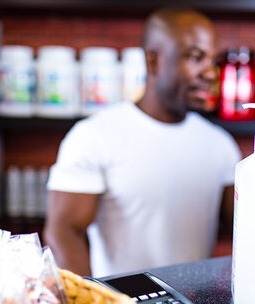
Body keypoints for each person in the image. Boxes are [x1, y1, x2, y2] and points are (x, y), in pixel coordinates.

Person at [44, 7, 241, 277]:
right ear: (154, 61)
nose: (210, 73)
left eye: (212, 61)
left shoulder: (220, 145)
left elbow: (244, 229)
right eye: (196, 58)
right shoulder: (95, 135)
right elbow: (63, 231)